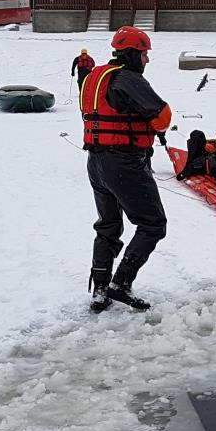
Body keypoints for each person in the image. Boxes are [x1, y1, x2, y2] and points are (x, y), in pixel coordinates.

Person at [81, 25, 172, 312]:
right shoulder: (128, 79)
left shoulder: (96, 76)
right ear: (132, 54)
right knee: (153, 224)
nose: (147, 59)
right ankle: (120, 283)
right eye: (144, 54)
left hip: (96, 162)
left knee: (108, 225)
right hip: (124, 162)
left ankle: (100, 291)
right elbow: (163, 117)